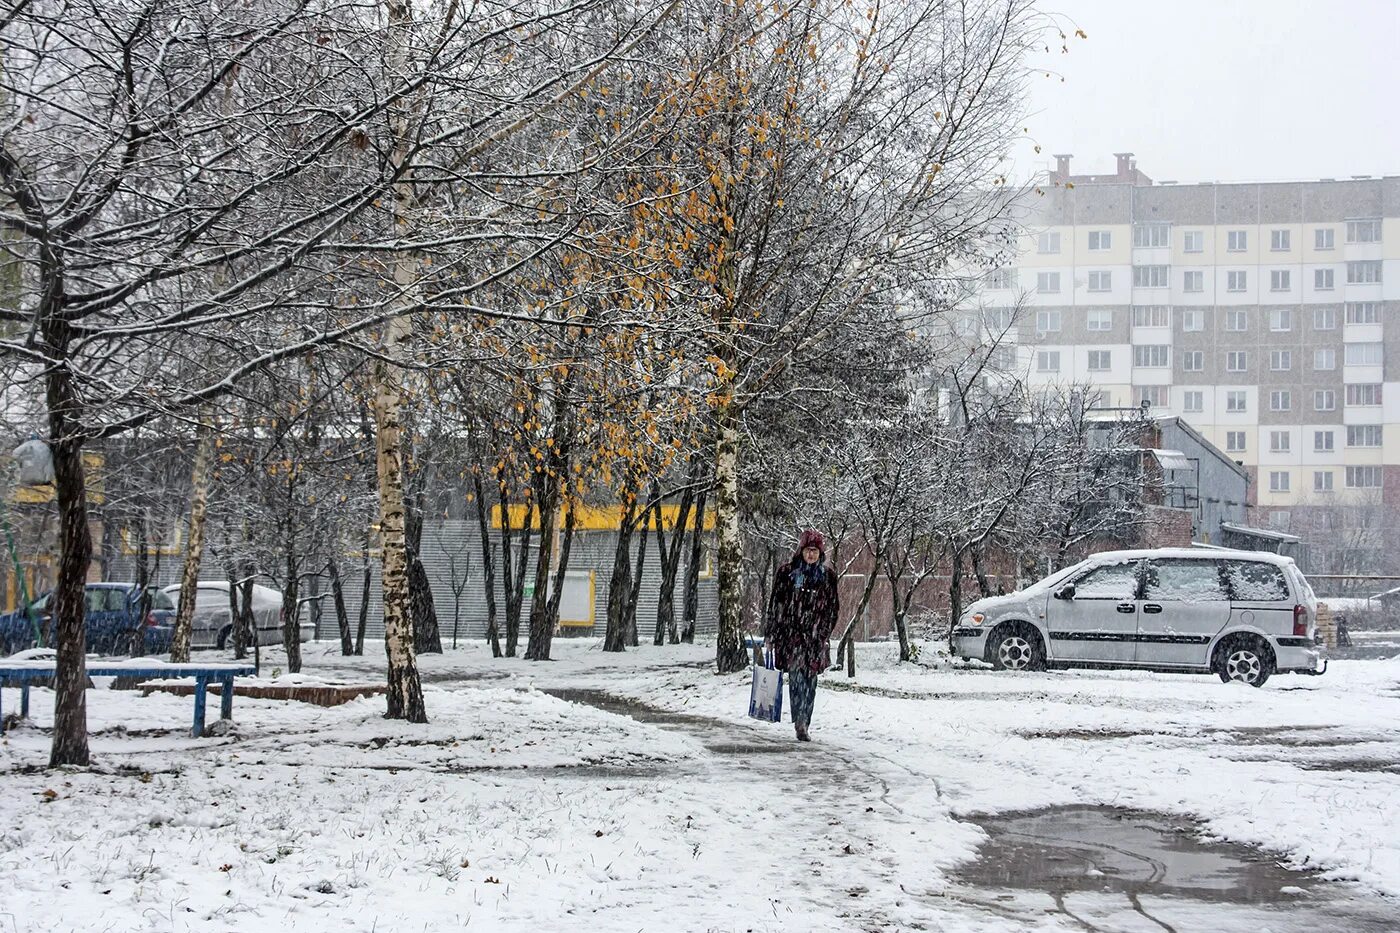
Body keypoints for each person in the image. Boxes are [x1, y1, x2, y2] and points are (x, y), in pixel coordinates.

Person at [764, 529, 839, 741]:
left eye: (815, 551)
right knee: (796, 678)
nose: (811, 555)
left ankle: (806, 719)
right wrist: (772, 633)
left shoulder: (827, 577)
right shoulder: (787, 573)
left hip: (815, 639)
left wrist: (823, 632)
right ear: (801, 550)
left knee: (811, 681)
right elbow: (776, 604)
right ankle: (799, 721)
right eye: (808, 550)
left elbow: (833, 608)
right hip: (791, 636)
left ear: (820, 552)